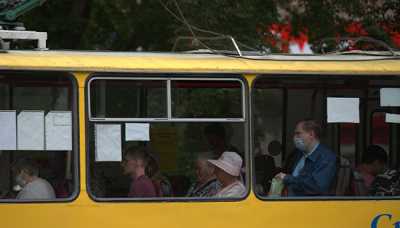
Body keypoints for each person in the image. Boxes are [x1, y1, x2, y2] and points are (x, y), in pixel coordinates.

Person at [275, 119, 336, 196]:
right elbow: (287, 172)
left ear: (311, 134)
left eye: (298, 133)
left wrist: (288, 179)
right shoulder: (298, 154)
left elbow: (317, 187)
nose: (295, 138)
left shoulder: (326, 158)